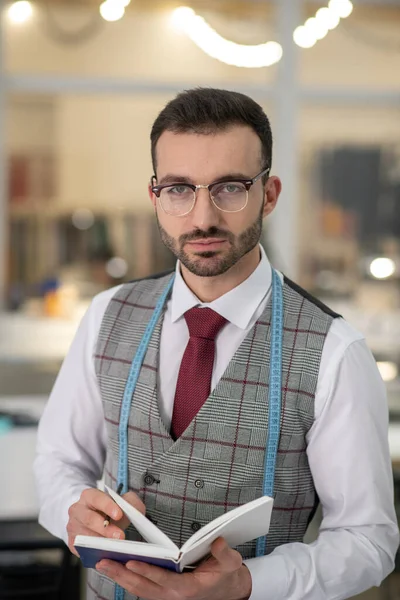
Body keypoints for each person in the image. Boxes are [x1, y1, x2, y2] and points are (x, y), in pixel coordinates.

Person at [34, 88, 399, 600]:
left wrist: (251, 582)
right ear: (155, 195)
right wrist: (74, 509)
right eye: (180, 189)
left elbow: (369, 541)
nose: (202, 217)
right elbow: (58, 461)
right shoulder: (106, 314)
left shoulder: (334, 350)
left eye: (229, 188)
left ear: (269, 194)